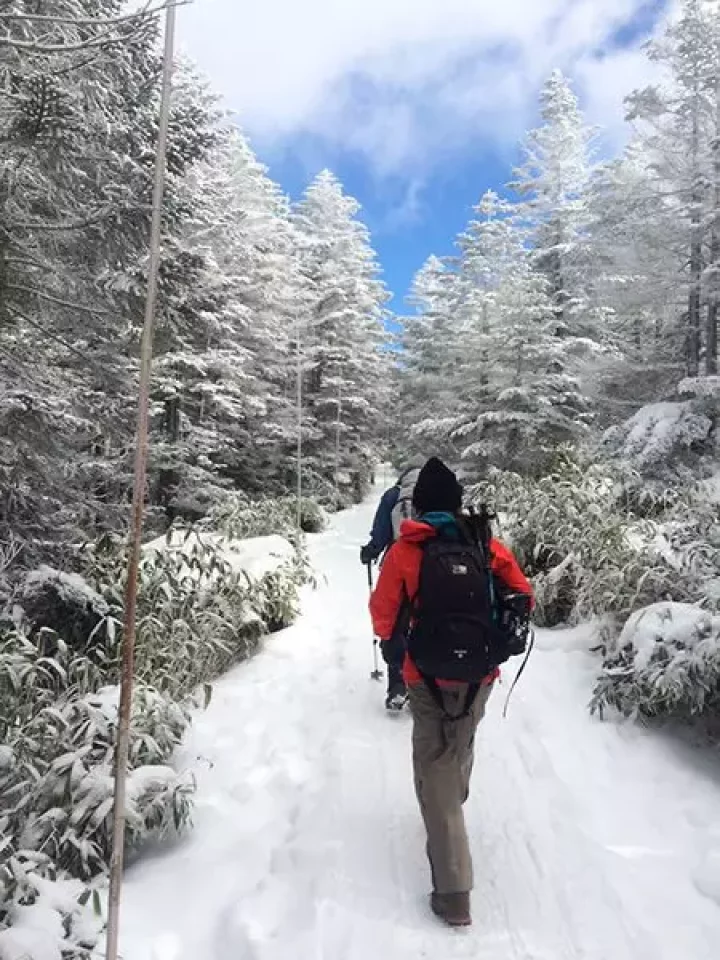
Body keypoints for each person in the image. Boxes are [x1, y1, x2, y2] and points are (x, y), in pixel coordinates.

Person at [369, 457, 532, 928]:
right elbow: (523, 593)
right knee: (459, 742)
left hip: (425, 676)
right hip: (479, 674)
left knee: (433, 762)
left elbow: (382, 616)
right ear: (458, 506)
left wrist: (397, 636)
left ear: (418, 508)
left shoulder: (406, 550)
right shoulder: (487, 547)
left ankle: (453, 891)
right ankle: (450, 806)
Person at [361, 464, 420, 711]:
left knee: (395, 621)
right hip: (427, 565)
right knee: (423, 620)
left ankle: (397, 686)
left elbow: (382, 531)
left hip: (396, 563)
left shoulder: (392, 496)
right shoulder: (434, 493)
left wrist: (371, 550)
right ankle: (424, 684)